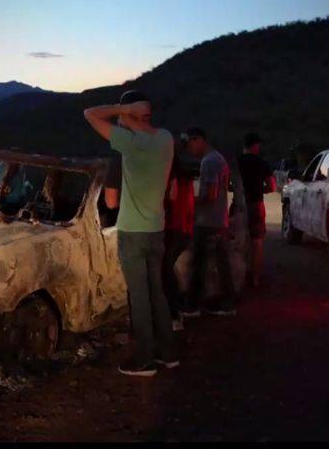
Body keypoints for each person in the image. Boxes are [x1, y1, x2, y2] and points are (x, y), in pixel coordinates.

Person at [83, 90, 177, 377]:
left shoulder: (129, 144)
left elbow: (90, 114)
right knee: (157, 292)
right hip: (157, 229)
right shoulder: (165, 138)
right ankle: (168, 353)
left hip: (133, 231)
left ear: (129, 115)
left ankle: (145, 359)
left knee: (139, 296)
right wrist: (133, 112)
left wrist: (122, 109)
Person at [182, 127, 236, 317]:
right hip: (219, 220)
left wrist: (189, 201)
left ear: (198, 140)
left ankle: (193, 306)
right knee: (222, 265)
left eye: (189, 143)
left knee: (199, 265)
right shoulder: (218, 158)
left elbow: (211, 194)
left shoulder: (209, 161)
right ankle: (228, 304)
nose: (189, 148)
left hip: (208, 222)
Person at [236, 132, 276, 289]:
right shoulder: (261, 163)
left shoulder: (236, 162)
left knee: (237, 240)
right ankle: (255, 278)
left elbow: (227, 184)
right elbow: (272, 187)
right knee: (257, 242)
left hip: (238, 204)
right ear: (256, 146)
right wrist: (260, 190)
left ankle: (238, 275)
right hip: (256, 204)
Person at [162, 148, 195, 331]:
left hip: (175, 229)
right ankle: (176, 311)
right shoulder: (184, 177)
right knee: (167, 270)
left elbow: (174, 206)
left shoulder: (173, 179)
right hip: (183, 229)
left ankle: (175, 314)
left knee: (165, 271)